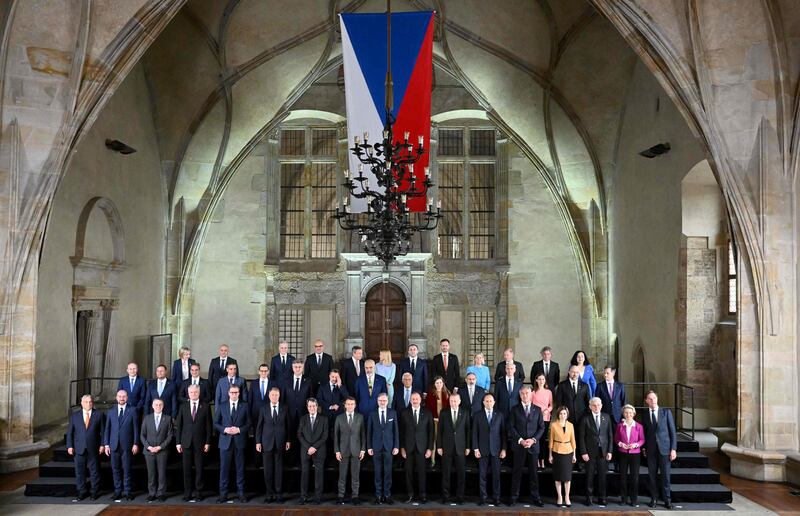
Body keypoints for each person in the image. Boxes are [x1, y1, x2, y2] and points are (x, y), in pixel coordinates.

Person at [508, 385, 545, 506]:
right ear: (520, 395)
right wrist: (521, 440)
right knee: (516, 472)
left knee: (534, 473)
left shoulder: (538, 409)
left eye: (527, 393)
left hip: (533, 446)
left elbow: (541, 427)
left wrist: (533, 440)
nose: (525, 395)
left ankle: (535, 497)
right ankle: (514, 497)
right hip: (519, 446)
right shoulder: (514, 409)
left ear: (531, 394)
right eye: (523, 393)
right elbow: (511, 427)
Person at [175, 383, 212, 502]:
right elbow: (179, 425)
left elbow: (208, 426)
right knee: (186, 469)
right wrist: (178, 442)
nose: (193, 394)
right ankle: (187, 492)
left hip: (200, 443)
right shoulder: (183, 406)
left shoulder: (205, 406)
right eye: (191, 392)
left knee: (199, 468)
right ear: (188, 393)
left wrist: (207, 442)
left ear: (199, 393)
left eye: (196, 392)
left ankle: (199, 492)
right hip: (185, 442)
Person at [214, 384, 250, 503]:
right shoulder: (222, 405)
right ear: (228, 393)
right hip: (225, 442)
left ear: (239, 393)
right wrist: (225, 429)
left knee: (240, 469)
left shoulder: (244, 406)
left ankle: (241, 493)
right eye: (232, 392)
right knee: (224, 470)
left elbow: (249, 423)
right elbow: (216, 422)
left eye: (236, 392)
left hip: (239, 441)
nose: (234, 394)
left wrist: (239, 430)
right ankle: (223, 495)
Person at [642, 390, 677, 509]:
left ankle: (667, 500)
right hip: (651, 450)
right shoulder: (645, 414)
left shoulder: (666, 412)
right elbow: (645, 434)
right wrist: (644, 448)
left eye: (654, 398)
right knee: (652, 476)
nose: (653, 401)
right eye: (650, 399)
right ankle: (654, 499)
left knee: (666, 476)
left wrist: (673, 449)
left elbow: (673, 432)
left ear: (657, 399)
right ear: (646, 401)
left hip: (665, 449)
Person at [103, 389, 139, 501]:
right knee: (115, 469)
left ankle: (128, 492)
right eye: (119, 396)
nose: (122, 398)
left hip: (127, 446)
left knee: (127, 469)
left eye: (124, 396)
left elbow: (136, 429)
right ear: (116, 397)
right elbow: (107, 429)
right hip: (113, 445)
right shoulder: (111, 411)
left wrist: (135, 443)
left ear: (127, 397)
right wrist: (106, 444)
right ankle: (118, 491)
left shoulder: (132, 410)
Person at [255, 387, 290, 503]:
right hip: (266, 443)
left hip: (280, 442)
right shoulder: (263, 409)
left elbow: (288, 425)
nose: (274, 397)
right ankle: (269, 494)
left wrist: (288, 440)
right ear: (269, 396)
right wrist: (258, 442)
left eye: (276, 395)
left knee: (279, 470)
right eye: (272, 395)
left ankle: (279, 494)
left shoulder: (285, 408)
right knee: (268, 470)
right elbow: (259, 426)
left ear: (279, 395)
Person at [577, 397, 614, 507]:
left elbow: (610, 436)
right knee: (589, 477)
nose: (596, 407)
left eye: (598, 405)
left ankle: (602, 498)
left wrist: (610, 451)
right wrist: (583, 452)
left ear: (601, 405)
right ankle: (589, 498)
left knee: (602, 476)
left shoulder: (606, 417)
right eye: (594, 405)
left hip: (603, 452)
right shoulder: (585, 419)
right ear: (590, 406)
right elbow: (581, 437)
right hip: (589, 453)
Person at [66, 394, 103, 501]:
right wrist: (69, 446)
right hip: (79, 448)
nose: (89, 404)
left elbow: (103, 431)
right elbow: (70, 433)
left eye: (90, 402)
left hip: (93, 448)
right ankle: (82, 492)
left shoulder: (99, 414)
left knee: (94, 471)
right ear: (82, 403)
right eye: (86, 402)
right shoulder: (75, 416)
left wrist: (102, 445)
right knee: (79, 472)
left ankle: (94, 492)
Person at [472, 392, 506, 506]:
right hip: (482, 450)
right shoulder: (477, 415)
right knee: (482, 476)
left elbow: (503, 434)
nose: (489, 403)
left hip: (496, 450)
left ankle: (496, 498)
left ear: (494, 402)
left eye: (491, 401)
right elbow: (474, 434)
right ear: (483, 402)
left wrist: (504, 449)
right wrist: (476, 449)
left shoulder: (500, 415)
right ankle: (483, 498)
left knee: (496, 476)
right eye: (486, 401)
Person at [436, 393, 470, 505]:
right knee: (446, 474)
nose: (453, 403)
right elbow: (440, 431)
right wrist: (439, 446)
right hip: (446, 447)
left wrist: (468, 447)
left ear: (459, 401)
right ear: (449, 401)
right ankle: (446, 497)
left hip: (461, 448)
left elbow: (467, 431)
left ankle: (460, 497)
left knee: (461, 474)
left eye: (455, 401)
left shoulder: (465, 412)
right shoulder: (444, 413)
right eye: (451, 401)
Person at [400, 392, 434, 504]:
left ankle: (422, 495)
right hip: (408, 448)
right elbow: (401, 432)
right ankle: (410, 494)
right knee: (408, 472)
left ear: (420, 400)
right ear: (410, 400)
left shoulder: (428, 413)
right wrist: (402, 448)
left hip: (422, 448)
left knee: (422, 472)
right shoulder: (404, 413)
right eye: (413, 399)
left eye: (417, 399)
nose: (415, 401)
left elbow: (431, 432)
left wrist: (429, 448)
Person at [367, 393, 399, 505]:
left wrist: (396, 446)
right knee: (377, 473)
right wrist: (369, 446)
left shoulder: (392, 413)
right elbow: (369, 432)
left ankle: (387, 495)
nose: (382, 402)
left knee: (388, 473)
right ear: (377, 401)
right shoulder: (372, 414)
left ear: (387, 401)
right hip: (376, 447)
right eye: (380, 400)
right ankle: (378, 495)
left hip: (389, 447)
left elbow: (396, 431)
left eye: (384, 400)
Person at [334, 397, 366, 505]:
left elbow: (363, 435)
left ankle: (355, 496)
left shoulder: (360, 417)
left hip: (356, 450)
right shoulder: (339, 418)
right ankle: (340, 496)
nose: (350, 406)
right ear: (345, 405)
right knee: (342, 475)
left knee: (355, 476)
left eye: (352, 404)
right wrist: (337, 451)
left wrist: (363, 449)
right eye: (348, 404)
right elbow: (336, 436)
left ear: (355, 405)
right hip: (343, 451)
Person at [140, 398, 173, 502]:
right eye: (156, 405)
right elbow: (142, 435)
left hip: (162, 451)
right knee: (151, 473)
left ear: (163, 406)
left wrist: (160, 447)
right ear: (152, 406)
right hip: (149, 451)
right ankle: (152, 493)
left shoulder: (167, 419)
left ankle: (161, 493)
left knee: (162, 473)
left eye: (160, 405)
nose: (158, 406)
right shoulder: (147, 418)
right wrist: (149, 447)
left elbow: (170, 435)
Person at [297, 398, 328, 505]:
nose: (312, 408)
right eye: (310, 406)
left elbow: (325, 436)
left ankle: (318, 497)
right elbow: (299, 435)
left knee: (319, 474)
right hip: (305, 450)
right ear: (307, 407)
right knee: (304, 473)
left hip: (319, 450)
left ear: (317, 406)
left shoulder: (324, 419)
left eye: (314, 406)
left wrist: (314, 447)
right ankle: (303, 496)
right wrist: (308, 447)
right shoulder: (303, 419)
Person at [616, 404, 645, 507]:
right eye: (626, 412)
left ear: (634, 414)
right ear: (623, 414)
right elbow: (616, 439)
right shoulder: (620, 426)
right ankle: (623, 499)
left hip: (635, 454)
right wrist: (621, 444)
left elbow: (642, 440)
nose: (628, 414)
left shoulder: (639, 426)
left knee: (634, 478)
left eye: (630, 413)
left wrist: (636, 445)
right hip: (623, 453)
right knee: (623, 477)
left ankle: (633, 499)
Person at [283, 359, 310, 465]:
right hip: (289, 414)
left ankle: (302, 459)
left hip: (303, 414)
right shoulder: (286, 381)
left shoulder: (307, 381)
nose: (298, 369)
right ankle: (291, 460)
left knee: (303, 436)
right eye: (295, 367)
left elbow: (310, 398)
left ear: (302, 368)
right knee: (290, 435)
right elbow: (283, 399)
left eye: (299, 367)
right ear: (292, 368)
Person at [549, 406, 577, 508]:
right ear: (558, 414)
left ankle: (567, 497)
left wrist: (574, 454)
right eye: (561, 413)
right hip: (557, 451)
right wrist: (550, 455)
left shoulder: (570, 425)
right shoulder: (553, 425)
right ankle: (560, 497)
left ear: (567, 414)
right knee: (558, 476)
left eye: (564, 413)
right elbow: (551, 441)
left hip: (568, 451)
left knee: (567, 477)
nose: (562, 415)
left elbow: (573, 440)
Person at [531, 373, 553, 468]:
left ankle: (542, 460)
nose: (541, 381)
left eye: (543, 379)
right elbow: (530, 405)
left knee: (543, 440)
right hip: (534, 418)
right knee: (536, 440)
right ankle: (536, 460)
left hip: (545, 418)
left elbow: (551, 405)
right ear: (536, 380)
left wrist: (547, 410)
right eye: (539, 379)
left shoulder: (549, 392)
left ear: (545, 381)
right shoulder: (532, 392)